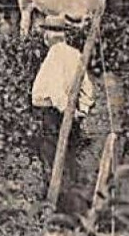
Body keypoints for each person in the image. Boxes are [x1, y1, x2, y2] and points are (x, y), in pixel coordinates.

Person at [30, 15, 97, 214]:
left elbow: (55, 89)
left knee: (54, 160)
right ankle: (73, 206)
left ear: (48, 34)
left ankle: (60, 208)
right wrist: (81, 111)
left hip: (53, 115)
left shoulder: (55, 55)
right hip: (69, 115)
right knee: (70, 157)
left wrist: (66, 111)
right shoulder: (75, 54)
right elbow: (87, 88)